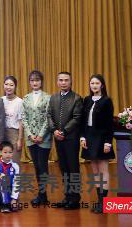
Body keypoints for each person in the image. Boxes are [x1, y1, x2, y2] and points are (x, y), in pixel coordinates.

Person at [46, 71, 82, 210]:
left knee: (73, 168)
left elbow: (77, 118)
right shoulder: (53, 98)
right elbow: (49, 115)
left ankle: (75, 199)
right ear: (57, 82)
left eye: (66, 80)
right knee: (63, 168)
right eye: (61, 80)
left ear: (70, 82)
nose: (63, 82)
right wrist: (54, 130)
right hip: (58, 138)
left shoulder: (77, 98)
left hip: (71, 138)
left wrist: (64, 131)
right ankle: (67, 197)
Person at [80, 74, 114, 214]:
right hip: (89, 137)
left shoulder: (107, 101)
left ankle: (104, 202)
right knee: (94, 170)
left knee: (103, 170)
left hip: (102, 138)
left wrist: (108, 142)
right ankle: (99, 201)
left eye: (97, 83)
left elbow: (109, 124)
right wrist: (82, 137)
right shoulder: (87, 100)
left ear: (102, 85)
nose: (94, 85)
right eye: (92, 83)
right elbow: (83, 121)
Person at [22, 70, 52, 206]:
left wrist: (41, 135)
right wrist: (30, 134)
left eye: (37, 80)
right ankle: (41, 195)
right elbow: (24, 117)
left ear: (41, 82)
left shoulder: (48, 97)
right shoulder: (26, 98)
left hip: (43, 138)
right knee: (36, 167)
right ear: (29, 82)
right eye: (32, 80)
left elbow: (48, 118)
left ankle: (43, 195)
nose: (35, 82)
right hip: (30, 138)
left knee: (43, 166)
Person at [0, 141, 20, 213]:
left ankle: (10, 200)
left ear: (13, 153)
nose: (8, 154)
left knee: (14, 207)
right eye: (5, 152)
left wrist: (14, 198)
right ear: (0, 152)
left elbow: (17, 182)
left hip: (10, 190)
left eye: (10, 152)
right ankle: (2, 203)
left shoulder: (15, 166)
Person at [2, 76, 24, 154]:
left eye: (11, 85)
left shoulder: (19, 102)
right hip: (2, 134)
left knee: (14, 159)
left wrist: (20, 139)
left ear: (15, 87)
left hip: (14, 134)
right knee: (3, 160)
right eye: (6, 84)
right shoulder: (1, 100)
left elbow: (21, 122)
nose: (8, 87)